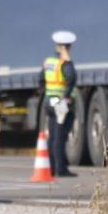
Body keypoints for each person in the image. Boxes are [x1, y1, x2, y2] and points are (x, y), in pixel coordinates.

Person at [41, 30, 79, 177]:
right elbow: (71, 79)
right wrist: (66, 97)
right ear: (66, 47)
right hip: (60, 104)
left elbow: (40, 79)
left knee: (52, 136)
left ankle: (50, 168)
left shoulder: (49, 62)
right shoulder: (65, 64)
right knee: (60, 136)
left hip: (49, 102)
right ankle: (61, 169)